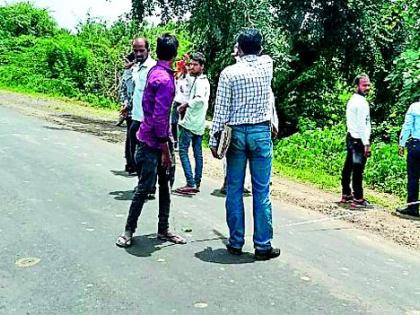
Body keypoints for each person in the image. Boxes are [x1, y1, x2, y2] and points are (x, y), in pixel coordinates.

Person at [209, 28, 280, 260]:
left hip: (236, 133)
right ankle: (262, 245)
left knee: (234, 189)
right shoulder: (266, 66)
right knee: (261, 191)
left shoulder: (229, 73)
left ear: (238, 47)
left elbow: (220, 110)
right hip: (260, 131)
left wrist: (214, 140)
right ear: (260, 48)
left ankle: (236, 241)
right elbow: (262, 55)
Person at [116, 33, 186, 248]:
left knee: (164, 186)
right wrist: (165, 151)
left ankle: (163, 229)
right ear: (174, 54)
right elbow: (159, 119)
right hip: (154, 142)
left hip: (151, 137)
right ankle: (128, 230)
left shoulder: (157, 72)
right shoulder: (164, 80)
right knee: (145, 187)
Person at [175, 52, 211, 194]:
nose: (192, 67)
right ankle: (196, 181)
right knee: (197, 153)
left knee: (183, 151)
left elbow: (199, 99)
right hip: (198, 123)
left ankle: (191, 182)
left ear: (202, 66)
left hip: (191, 122)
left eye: (195, 65)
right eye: (192, 64)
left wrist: (185, 104)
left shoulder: (201, 82)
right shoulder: (197, 79)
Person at [340, 74, 372, 209]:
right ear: (357, 86)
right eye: (364, 85)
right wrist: (366, 144)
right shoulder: (361, 103)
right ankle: (358, 198)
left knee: (348, 166)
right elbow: (362, 125)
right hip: (358, 139)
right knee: (358, 169)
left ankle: (346, 193)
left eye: (368, 85)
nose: (367, 88)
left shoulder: (353, 100)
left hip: (351, 137)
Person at [397, 101, 420, 218]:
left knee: (413, 178)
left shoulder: (414, 107)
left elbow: (407, 126)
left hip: (416, 145)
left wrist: (401, 144)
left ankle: (413, 207)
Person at [171, 53, 192, 151]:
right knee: (173, 122)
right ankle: (175, 141)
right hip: (177, 100)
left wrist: (187, 62)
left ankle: (182, 142)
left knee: (182, 123)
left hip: (184, 102)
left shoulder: (189, 77)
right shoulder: (178, 76)